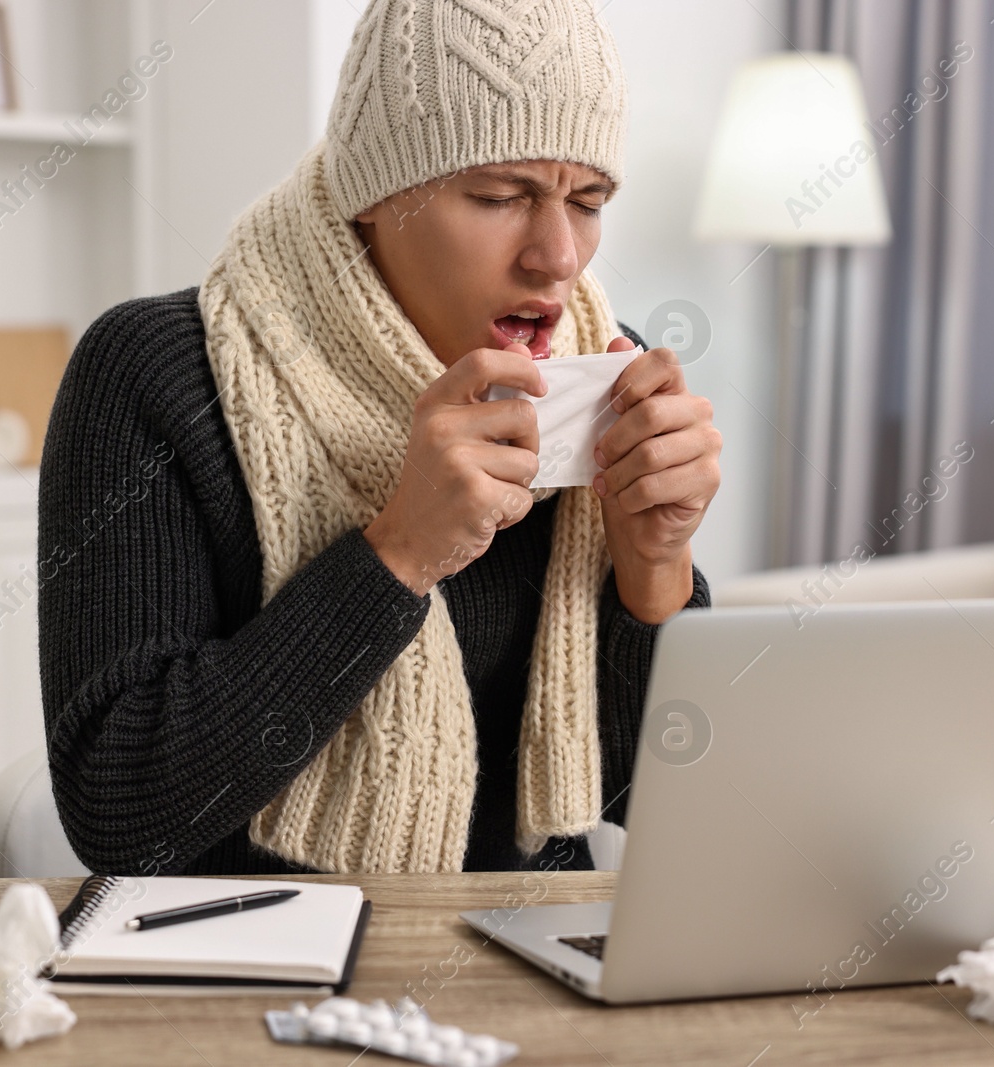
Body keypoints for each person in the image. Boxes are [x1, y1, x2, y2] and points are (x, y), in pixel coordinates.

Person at [37, 0, 722, 877]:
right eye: (501, 195)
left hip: (529, 964)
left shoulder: (592, 373)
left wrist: (654, 564)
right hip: (255, 971)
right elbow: (121, 810)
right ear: (373, 200)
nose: (558, 256)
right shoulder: (159, 372)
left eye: (587, 201)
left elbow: (651, 797)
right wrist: (397, 553)